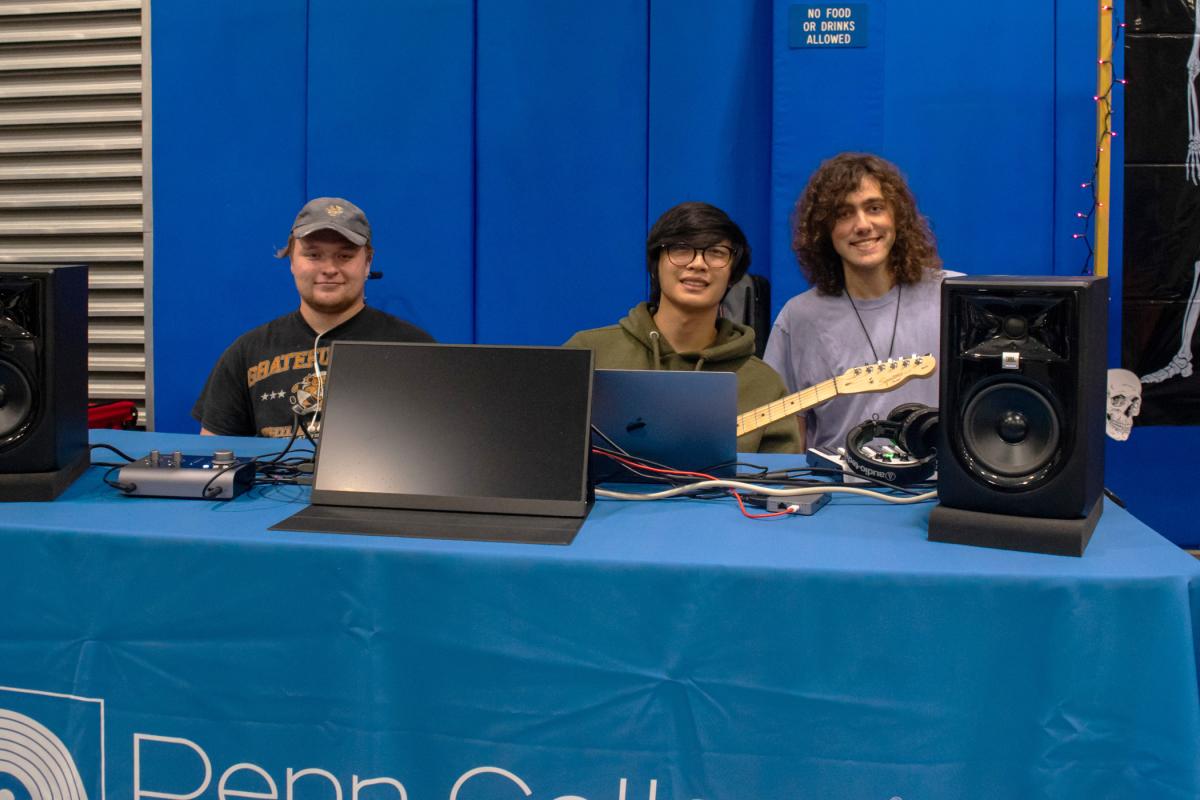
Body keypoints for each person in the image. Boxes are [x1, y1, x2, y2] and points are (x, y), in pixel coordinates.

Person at [565, 201, 801, 454]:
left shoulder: (763, 383)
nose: (698, 264)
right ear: (656, 264)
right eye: (681, 249)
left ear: (733, 274)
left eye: (716, 253)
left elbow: (780, 487)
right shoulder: (589, 352)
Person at [193, 197, 434, 437]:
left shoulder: (416, 350)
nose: (329, 268)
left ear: (367, 263)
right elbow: (216, 458)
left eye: (345, 256)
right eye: (313, 255)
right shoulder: (246, 353)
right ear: (292, 262)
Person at [763, 153, 946, 451]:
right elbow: (786, 435)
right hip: (838, 490)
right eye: (844, 214)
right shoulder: (798, 317)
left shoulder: (950, 296)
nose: (862, 225)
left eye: (874, 208)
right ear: (825, 230)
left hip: (935, 489)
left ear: (897, 217)